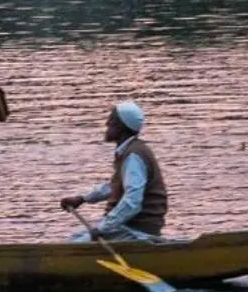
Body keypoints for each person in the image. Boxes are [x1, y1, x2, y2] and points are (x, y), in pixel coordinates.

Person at [60, 99, 168, 242]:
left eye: (111, 121)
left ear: (120, 128)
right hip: (126, 227)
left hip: (137, 230)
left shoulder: (133, 156)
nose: (106, 125)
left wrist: (103, 228)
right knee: (73, 239)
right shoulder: (128, 151)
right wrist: (82, 199)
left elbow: (132, 202)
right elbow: (115, 187)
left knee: (75, 246)